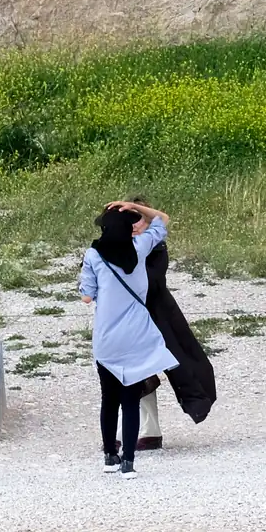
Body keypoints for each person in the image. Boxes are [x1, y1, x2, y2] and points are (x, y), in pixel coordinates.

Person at [79, 199, 176, 474]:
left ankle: (111, 455)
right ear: (129, 228)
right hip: (137, 337)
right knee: (131, 400)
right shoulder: (141, 247)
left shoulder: (93, 255)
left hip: (107, 339)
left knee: (109, 399)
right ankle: (129, 462)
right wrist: (132, 206)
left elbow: (87, 297)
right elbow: (163, 218)